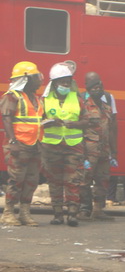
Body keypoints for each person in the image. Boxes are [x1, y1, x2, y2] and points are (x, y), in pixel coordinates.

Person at [41, 62, 89, 227]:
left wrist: (74, 124)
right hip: (51, 146)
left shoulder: (77, 99)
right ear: (54, 83)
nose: (66, 85)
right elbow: (38, 121)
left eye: (68, 82)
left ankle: (72, 214)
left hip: (73, 146)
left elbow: (87, 121)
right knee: (54, 181)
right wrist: (48, 122)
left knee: (73, 180)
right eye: (63, 82)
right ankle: (57, 215)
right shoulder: (45, 100)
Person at [1, 62, 44, 226]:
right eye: (36, 77)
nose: (39, 80)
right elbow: (6, 119)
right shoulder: (12, 96)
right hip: (19, 145)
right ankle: (8, 213)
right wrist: (13, 141)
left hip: (35, 145)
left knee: (32, 180)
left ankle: (24, 213)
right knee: (16, 180)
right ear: (26, 78)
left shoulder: (35, 98)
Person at [78, 71, 117, 221]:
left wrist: (114, 152)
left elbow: (112, 127)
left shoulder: (107, 101)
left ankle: (98, 209)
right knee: (84, 180)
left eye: (98, 83)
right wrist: (81, 151)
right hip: (88, 150)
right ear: (86, 86)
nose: (97, 87)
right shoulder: (81, 102)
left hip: (104, 150)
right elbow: (79, 128)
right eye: (93, 85)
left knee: (103, 179)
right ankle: (84, 209)